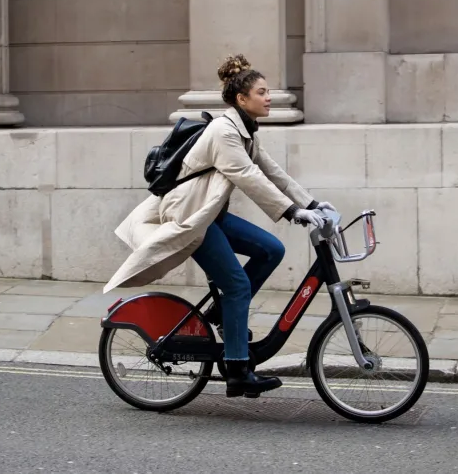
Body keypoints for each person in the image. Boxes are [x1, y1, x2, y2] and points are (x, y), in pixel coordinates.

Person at [103, 54, 335, 399]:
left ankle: (222, 311)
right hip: (193, 217)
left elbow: (273, 172)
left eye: (268, 91)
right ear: (242, 99)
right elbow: (247, 176)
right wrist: (290, 212)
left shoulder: (245, 132)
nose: (268, 97)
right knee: (238, 285)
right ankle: (238, 371)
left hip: (210, 214)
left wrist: (313, 204)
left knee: (272, 250)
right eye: (262, 92)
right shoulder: (224, 131)